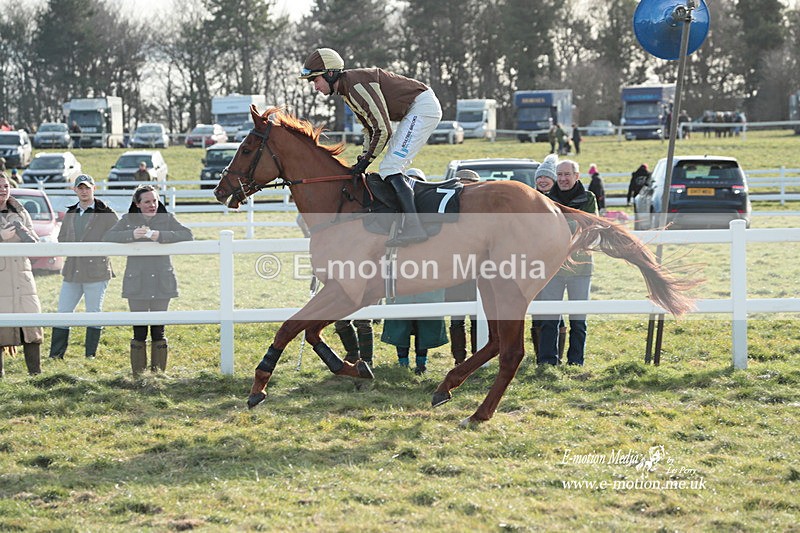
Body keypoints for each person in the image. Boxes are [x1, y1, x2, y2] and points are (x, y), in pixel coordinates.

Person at [299, 47, 442, 246]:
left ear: (330, 74)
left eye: (316, 80)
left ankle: (414, 227)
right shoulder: (347, 92)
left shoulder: (356, 86)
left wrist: (365, 162)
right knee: (390, 167)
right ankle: (407, 222)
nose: (315, 87)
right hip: (415, 108)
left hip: (422, 107)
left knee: (390, 167)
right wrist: (362, 158)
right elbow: (369, 130)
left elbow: (383, 130)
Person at [103, 185, 193, 374]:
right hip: (137, 282)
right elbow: (108, 236)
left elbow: (187, 234)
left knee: (159, 329)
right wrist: (130, 235)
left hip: (162, 281)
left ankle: (158, 374)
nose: (152, 205)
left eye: (155, 201)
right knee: (139, 329)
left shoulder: (167, 218)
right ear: (137, 204)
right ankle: (139, 374)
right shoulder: (128, 220)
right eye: (147, 202)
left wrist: (162, 236)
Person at [49, 174, 119, 360]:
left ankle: (90, 356)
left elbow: (117, 233)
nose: (84, 191)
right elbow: (61, 238)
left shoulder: (106, 212)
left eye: (87, 187)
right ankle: (56, 356)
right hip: (72, 269)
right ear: (74, 190)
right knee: (63, 311)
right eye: (80, 188)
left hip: (97, 270)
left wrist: (98, 246)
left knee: (93, 312)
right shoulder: (71, 212)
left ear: (94, 188)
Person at [538, 160, 598, 366]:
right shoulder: (546, 199)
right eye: (559, 174)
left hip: (581, 268)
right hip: (552, 268)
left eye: (567, 174)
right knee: (549, 319)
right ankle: (547, 361)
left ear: (576, 176)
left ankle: (576, 362)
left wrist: (558, 227)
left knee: (578, 320)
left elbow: (589, 225)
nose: (563, 179)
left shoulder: (588, 198)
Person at [0, 173, 43, 376]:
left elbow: (35, 241)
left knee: (31, 325)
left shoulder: (21, 211)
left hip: (22, 276)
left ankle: (35, 374)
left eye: (6, 186)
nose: (3, 190)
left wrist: (25, 233)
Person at [530, 154, 565, 360]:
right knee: (536, 308)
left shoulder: (558, 200)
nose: (542, 180)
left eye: (546, 177)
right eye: (539, 177)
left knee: (553, 308)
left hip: (554, 263)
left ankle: (555, 354)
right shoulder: (529, 200)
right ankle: (540, 353)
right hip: (533, 263)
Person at [381, 288, 448, 375]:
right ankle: (403, 364)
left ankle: (421, 365)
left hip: (426, 295)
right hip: (401, 295)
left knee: (424, 330)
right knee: (401, 329)